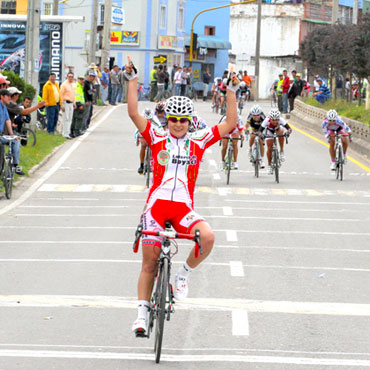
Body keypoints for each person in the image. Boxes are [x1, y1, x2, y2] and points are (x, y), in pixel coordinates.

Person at [125, 56, 239, 336]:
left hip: (183, 210)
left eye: (182, 121)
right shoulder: (156, 136)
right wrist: (132, 79)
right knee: (149, 264)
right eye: (173, 120)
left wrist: (231, 90)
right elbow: (132, 112)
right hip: (156, 208)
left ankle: (183, 275)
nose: (177, 124)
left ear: (190, 121)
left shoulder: (198, 141)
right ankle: (141, 315)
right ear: (168, 119)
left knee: (209, 237)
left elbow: (232, 122)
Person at [258, 108, 292, 175]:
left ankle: (281, 151)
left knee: (281, 132)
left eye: (276, 119)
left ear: (278, 119)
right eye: (273, 120)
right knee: (269, 148)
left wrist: (288, 132)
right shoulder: (266, 120)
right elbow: (259, 131)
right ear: (270, 119)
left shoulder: (281, 120)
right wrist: (261, 135)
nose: (274, 121)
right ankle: (269, 165)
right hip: (269, 131)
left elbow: (289, 129)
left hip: (278, 129)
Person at [136, 101, 167, 175]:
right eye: (146, 119)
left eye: (149, 119)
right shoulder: (140, 120)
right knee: (143, 145)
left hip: (154, 131)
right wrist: (137, 139)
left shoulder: (155, 119)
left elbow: (161, 130)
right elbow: (137, 131)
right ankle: (142, 165)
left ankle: (156, 163)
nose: (148, 121)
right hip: (143, 131)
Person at [0, 89, 24, 175]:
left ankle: (15, 165)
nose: (10, 98)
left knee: (15, 141)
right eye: (8, 96)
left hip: (2, 135)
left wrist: (12, 135)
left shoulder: (4, 107)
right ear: (2, 96)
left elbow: (8, 121)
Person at [245, 104, 266, 169]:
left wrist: (265, 133)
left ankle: (262, 160)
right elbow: (246, 125)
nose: (256, 117)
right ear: (252, 114)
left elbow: (266, 126)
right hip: (253, 127)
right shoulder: (250, 116)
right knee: (252, 136)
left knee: (261, 141)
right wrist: (246, 130)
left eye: (257, 115)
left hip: (261, 128)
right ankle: (250, 148)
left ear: (260, 114)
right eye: (254, 115)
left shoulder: (263, 117)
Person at [60, 72, 76, 139]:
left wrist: (74, 103)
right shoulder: (64, 85)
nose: (70, 78)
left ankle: (67, 133)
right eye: (69, 76)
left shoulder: (73, 84)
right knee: (65, 118)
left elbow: (74, 94)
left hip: (71, 103)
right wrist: (62, 104)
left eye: (72, 77)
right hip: (66, 103)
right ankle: (64, 133)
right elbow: (61, 95)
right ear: (67, 77)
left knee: (70, 119)